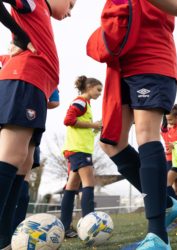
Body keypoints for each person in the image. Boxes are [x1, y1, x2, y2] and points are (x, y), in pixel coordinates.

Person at [86, 0, 177, 248]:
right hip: (121, 68)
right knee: (111, 143)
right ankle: (165, 202)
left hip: (151, 60)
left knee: (146, 134)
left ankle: (158, 236)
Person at [0, 1, 75, 248]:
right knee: (12, 155)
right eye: (71, 3)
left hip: (36, 88)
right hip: (24, 79)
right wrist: (20, 35)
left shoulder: (40, 11)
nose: (70, 11)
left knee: (23, 162)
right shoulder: (35, 3)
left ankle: (6, 237)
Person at [60, 76, 102, 238]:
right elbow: (68, 120)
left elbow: (83, 128)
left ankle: (65, 227)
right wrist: (93, 124)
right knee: (88, 183)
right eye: (98, 89)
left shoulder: (86, 104)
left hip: (77, 149)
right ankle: (90, 228)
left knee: (71, 186)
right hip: (79, 150)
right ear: (89, 87)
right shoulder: (81, 101)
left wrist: (97, 127)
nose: (100, 94)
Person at [13, 89, 60, 232]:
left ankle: (11, 233)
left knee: (20, 176)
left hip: (18, 121)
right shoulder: (48, 71)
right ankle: (14, 232)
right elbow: (54, 102)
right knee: (23, 176)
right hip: (29, 123)